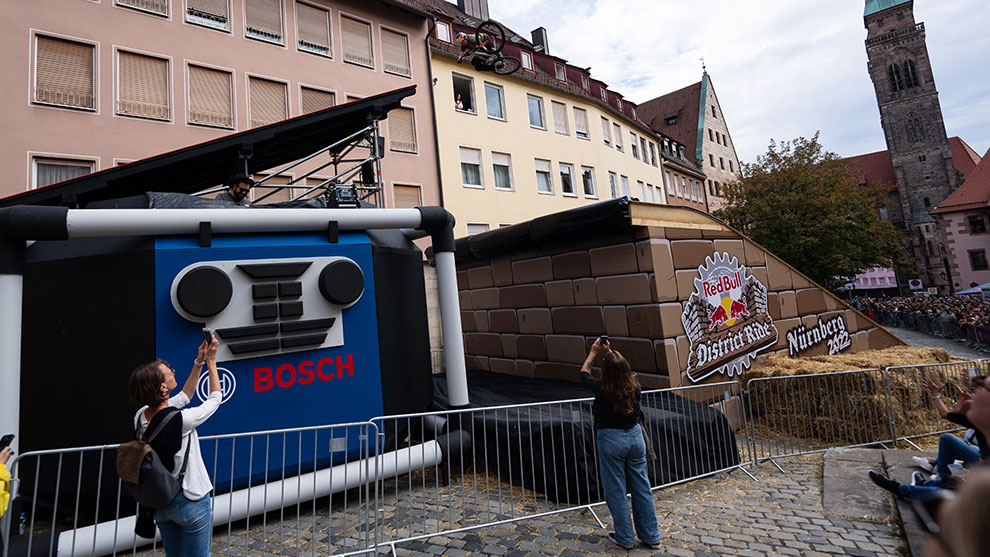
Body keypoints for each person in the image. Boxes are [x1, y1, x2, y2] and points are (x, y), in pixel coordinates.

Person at [129, 336, 222, 556]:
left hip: (161, 500)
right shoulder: (182, 421)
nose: (173, 372)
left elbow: (184, 396)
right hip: (190, 499)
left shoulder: (140, 416)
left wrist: (198, 362)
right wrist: (211, 362)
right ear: (162, 388)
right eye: (169, 371)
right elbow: (215, 398)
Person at [579, 338, 661, 550]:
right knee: (642, 487)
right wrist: (611, 352)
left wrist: (594, 352)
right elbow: (622, 368)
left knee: (616, 489)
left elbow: (584, 373)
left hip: (611, 439)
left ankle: (625, 537)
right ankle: (651, 536)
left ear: (605, 372)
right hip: (635, 437)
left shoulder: (602, 388)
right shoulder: (634, 384)